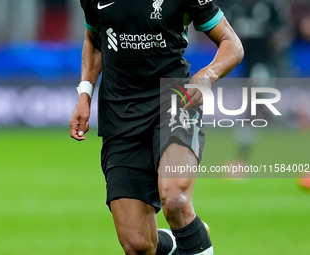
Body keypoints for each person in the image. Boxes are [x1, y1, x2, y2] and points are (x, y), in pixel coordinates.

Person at [70, 0, 243, 254]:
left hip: (174, 100)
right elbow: (94, 42)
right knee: (138, 244)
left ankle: (188, 235)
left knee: (175, 199)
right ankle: (185, 239)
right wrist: (84, 94)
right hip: (120, 113)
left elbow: (232, 44)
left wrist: (207, 75)